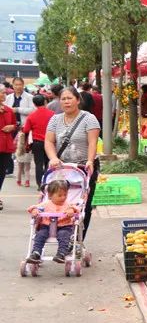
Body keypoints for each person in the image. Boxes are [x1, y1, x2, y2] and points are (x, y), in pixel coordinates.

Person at [45, 87, 101, 238]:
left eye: (69, 98)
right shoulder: (55, 119)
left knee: (83, 206)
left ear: (77, 100)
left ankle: (77, 239)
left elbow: (92, 142)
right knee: (59, 202)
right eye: (63, 99)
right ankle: (61, 235)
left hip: (83, 168)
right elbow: (49, 141)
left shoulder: (89, 119)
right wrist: (53, 158)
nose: (66, 102)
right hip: (61, 169)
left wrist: (90, 160)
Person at [25, 179, 79, 264]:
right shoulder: (46, 204)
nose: (63, 197)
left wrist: (72, 211)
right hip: (47, 226)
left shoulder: (68, 205)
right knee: (40, 235)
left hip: (64, 226)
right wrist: (34, 210)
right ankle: (36, 253)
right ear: (50, 195)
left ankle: (61, 253)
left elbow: (76, 209)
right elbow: (34, 207)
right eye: (60, 195)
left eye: (65, 195)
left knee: (64, 235)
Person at [23, 94, 54, 187]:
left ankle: (40, 184)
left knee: (38, 164)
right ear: (45, 102)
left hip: (37, 143)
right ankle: (48, 182)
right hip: (50, 142)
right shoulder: (52, 114)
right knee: (49, 162)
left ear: (34, 104)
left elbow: (26, 130)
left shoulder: (31, 116)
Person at [0, 91, 17, 210]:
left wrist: (12, 127)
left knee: (1, 173)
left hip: (6, 146)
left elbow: (14, 124)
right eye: (1, 92)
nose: (3, 94)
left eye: (3, 93)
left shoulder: (9, 110)